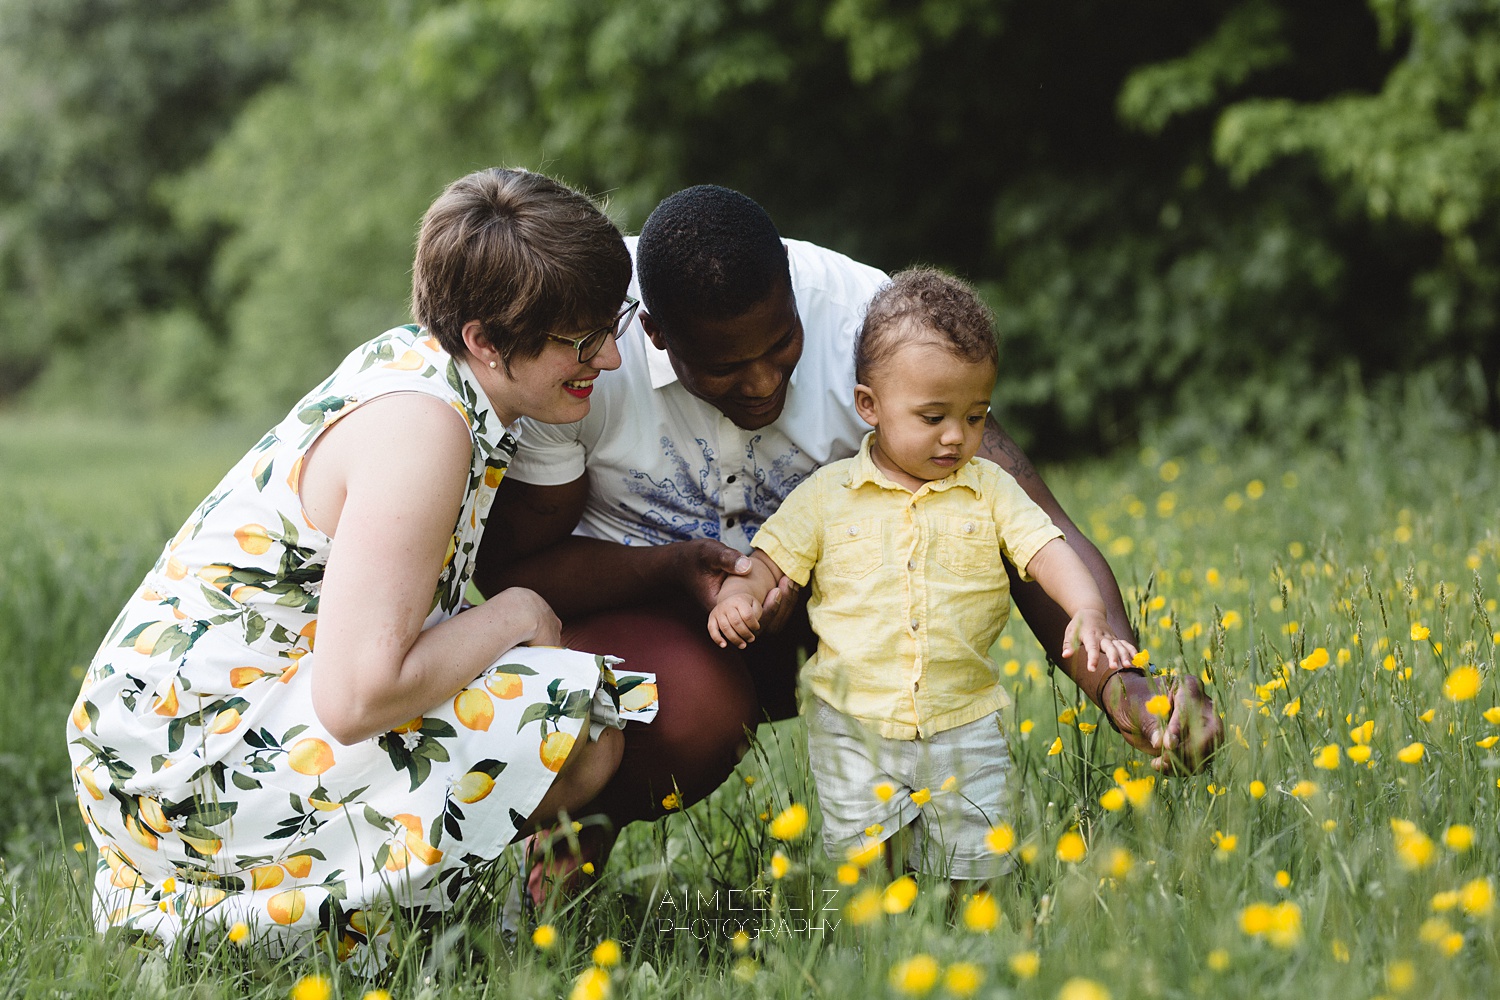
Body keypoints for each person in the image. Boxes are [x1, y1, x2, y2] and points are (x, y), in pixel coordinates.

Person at [476, 185, 1223, 895]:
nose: (764, 382)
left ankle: (920, 864)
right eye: (727, 367)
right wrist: (674, 573)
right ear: (656, 334)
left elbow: (1016, 515)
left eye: (781, 345)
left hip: (825, 624)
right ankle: (575, 833)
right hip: (640, 621)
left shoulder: (873, 327)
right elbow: (520, 569)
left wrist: (1122, 682)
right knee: (700, 708)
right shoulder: (587, 352)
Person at [65, 168, 654, 969]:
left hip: (196, 729)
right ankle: (325, 936)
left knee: (529, 682)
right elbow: (358, 698)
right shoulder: (423, 429)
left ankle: (375, 927)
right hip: (186, 768)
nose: (611, 358)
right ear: (483, 338)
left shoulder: (427, 370)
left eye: (610, 326)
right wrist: (517, 611)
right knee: (577, 714)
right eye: (580, 342)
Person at [707, 267, 1138, 877]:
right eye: (933, 417)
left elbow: (1047, 550)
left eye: (977, 416)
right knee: (866, 866)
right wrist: (740, 596)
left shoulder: (990, 490)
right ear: (869, 407)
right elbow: (770, 560)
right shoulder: (828, 495)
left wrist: (1088, 610)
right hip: (853, 725)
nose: (956, 437)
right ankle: (877, 954)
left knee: (978, 861)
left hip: (963, 717)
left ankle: (975, 948)